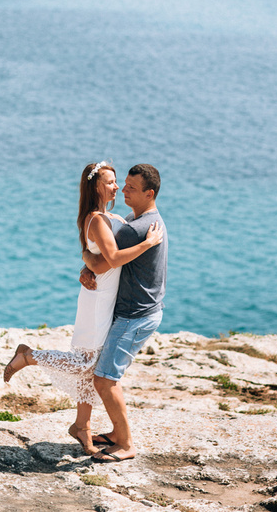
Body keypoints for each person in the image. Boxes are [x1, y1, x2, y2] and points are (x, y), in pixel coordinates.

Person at [2, 161, 163, 454]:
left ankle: (82, 426)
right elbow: (111, 259)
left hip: (107, 297)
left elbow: (97, 257)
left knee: (90, 367)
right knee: (86, 363)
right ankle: (28, 356)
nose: (119, 187)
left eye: (121, 183)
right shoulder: (97, 219)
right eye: (112, 182)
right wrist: (147, 243)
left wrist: (86, 264)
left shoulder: (113, 216)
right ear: (97, 186)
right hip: (99, 297)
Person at [82, 163, 167, 463]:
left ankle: (126, 443)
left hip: (135, 315)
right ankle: (118, 435)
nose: (124, 190)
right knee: (106, 376)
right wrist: (87, 264)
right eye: (123, 184)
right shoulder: (144, 220)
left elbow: (105, 261)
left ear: (149, 193)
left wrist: (85, 259)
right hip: (141, 312)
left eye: (131, 187)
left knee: (104, 380)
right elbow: (105, 255)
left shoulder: (137, 229)